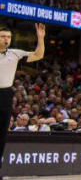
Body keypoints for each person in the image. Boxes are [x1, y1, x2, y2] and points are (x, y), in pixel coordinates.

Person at [0, 23, 44, 172]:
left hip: (5, 94)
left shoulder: (15, 53)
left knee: (1, 135)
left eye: (8, 37)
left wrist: (40, 38)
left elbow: (38, 55)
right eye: (2, 36)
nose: (6, 39)